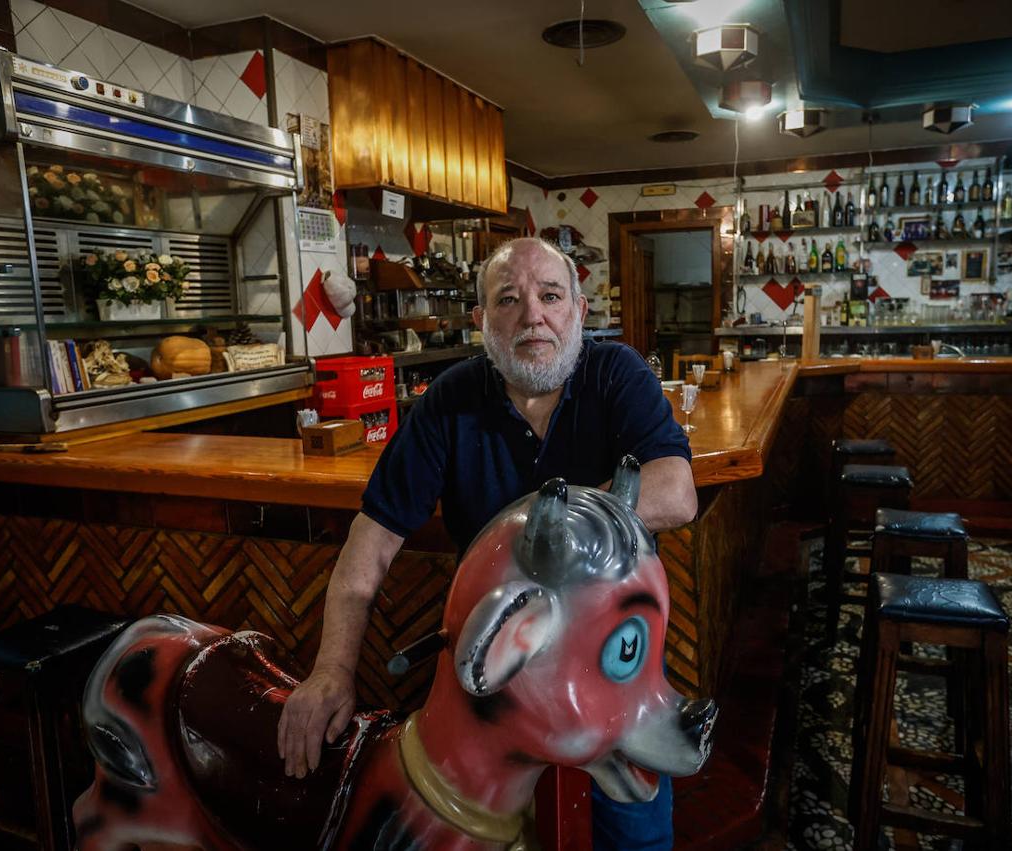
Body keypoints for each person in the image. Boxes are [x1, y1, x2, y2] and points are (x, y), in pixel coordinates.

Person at [278, 236, 698, 848]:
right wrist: (330, 671)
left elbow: (676, 491)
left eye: (551, 296)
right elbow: (366, 553)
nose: (533, 315)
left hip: (608, 661)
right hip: (496, 667)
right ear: (481, 323)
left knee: (632, 832)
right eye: (509, 300)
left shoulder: (618, 373)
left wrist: (545, 535)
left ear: (579, 312)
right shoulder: (449, 400)